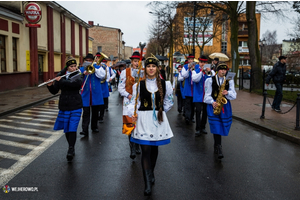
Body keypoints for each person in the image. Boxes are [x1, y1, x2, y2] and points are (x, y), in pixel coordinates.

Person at [128, 55, 174, 196]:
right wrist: (133, 114)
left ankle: (151, 172)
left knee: (154, 149)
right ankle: (147, 182)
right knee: (145, 150)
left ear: (157, 68)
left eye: (153, 66)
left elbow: (169, 101)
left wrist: (161, 111)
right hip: (143, 119)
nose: (151, 68)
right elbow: (132, 103)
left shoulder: (166, 84)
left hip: (158, 120)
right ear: (145, 69)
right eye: (148, 66)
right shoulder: (138, 85)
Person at [47, 56, 83, 161]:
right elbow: (54, 91)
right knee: (67, 129)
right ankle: (70, 146)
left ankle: (71, 149)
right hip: (64, 106)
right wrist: (50, 85)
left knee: (72, 128)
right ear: (67, 67)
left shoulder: (78, 74)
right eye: (71, 66)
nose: (74, 68)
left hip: (75, 105)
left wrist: (61, 80)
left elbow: (75, 85)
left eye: (75, 65)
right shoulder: (61, 75)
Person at [204, 63, 236, 159]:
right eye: (221, 70)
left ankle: (216, 144)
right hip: (214, 105)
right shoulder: (210, 80)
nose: (223, 71)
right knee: (216, 126)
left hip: (225, 106)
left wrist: (228, 92)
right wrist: (212, 102)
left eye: (225, 70)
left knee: (223, 125)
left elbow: (234, 95)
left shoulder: (229, 81)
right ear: (217, 70)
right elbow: (206, 96)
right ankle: (219, 147)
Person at [118, 52, 142, 159]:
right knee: (129, 124)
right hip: (128, 102)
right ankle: (132, 147)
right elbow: (120, 87)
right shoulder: (125, 72)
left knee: (139, 124)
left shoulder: (143, 72)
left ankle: (137, 145)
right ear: (132, 62)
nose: (137, 63)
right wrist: (128, 95)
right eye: (135, 61)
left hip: (140, 102)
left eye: (138, 61)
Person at [80, 53, 106, 136]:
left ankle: (94, 127)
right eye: (86, 60)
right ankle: (85, 130)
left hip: (96, 94)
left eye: (90, 60)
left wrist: (95, 69)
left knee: (95, 112)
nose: (88, 62)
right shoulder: (81, 69)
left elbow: (102, 76)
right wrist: (83, 73)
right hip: (85, 94)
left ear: (93, 61)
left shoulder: (98, 67)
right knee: (86, 113)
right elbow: (77, 78)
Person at [192, 55, 215, 136]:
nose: (203, 64)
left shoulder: (210, 71)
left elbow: (214, 78)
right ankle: (198, 128)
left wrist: (209, 72)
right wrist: (202, 71)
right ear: (199, 62)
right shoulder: (195, 70)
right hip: (198, 95)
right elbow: (195, 79)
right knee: (198, 112)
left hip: (207, 95)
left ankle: (203, 127)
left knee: (205, 112)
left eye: (205, 62)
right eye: (201, 62)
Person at [182, 54, 196, 124]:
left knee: (193, 105)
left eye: (192, 59)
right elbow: (184, 75)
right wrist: (188, 68)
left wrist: (193, 69)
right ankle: (187, 117)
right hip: (188, 88)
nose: (190, 61)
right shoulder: (184, 67)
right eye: (189, 59)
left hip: (194, 88)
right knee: (187, 104)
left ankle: (192, 117)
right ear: (188, 60)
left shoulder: (196, 66)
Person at [99, 58, 111, 122]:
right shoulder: (95, 66)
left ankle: (101, 116)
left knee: (103, 101)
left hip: (103, 84)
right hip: (97, 85)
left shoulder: (105, 67)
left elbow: (107, 76)